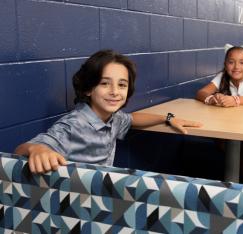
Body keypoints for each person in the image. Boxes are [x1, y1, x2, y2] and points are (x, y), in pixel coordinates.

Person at [15, 49, 202, 174]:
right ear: (88, 88)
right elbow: (24, 148)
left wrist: (169, 118)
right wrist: (37, 149)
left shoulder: (113, 118)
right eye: (105, 83)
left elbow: (132, 118)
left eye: (122, 85)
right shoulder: (73, 125)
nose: (114, 91)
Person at [196, 44, 243, 184]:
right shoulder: (221, 77)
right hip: (229, 127)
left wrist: (235, 100)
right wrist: (211, 99)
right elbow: (201, 93)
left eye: (242, 62)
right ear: (225, 65)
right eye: (231, 62)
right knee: (220, 139)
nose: (236, 66)